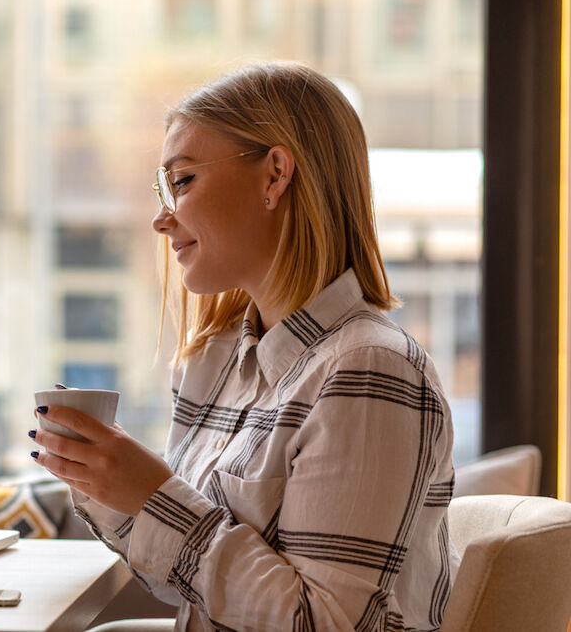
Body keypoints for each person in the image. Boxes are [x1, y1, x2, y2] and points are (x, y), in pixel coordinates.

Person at [29, 61, 458, 631]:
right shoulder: (215, 363)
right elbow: (181, 582)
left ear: (275, 174)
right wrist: (105, 480)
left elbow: (323, 623)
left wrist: (155, 496)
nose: (162, 219)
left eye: (182, 182)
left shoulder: (368, 369)